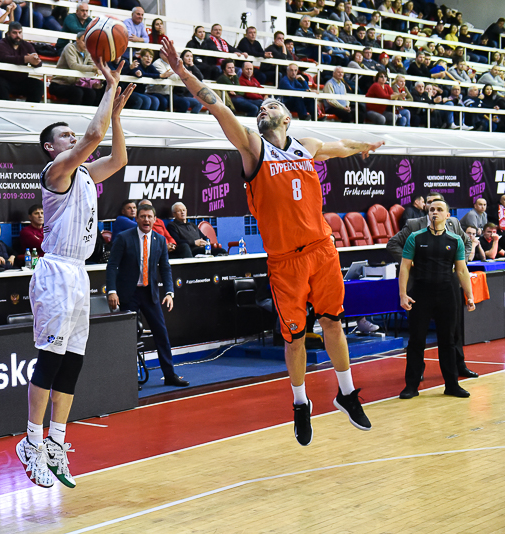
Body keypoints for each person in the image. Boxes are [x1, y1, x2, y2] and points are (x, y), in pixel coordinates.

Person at [161, 36, 379, 445]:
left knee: (333, 323)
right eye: (261, 107)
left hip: (322, 249)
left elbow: (340, 147)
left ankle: (347, 394)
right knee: (294, 337)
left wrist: (364, 145)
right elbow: (217, 105)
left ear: (288, 118)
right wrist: (183, 72)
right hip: (285, 260)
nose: (264, 108)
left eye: (272, 105)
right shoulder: (253, 148)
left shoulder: (306, 146)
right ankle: (300, 403)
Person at [15, 60, 134, 489]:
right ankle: (31, 441)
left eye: (71, 134)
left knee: (72, 362)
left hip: (79, 273)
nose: (72, 137)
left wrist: (116, 116)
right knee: (50, 359)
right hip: (55, 271)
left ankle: (56, 441)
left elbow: (118, 157)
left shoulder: (84, 172)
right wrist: (110, 86)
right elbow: (93, 137)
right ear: (51, 148)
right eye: (64, 136)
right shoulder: (56, 173)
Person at [387, 192, 476, 379]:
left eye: (438, 206)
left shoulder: (453, 224)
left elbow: (466, 243)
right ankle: (416, 373)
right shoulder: (414, 226)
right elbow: (392, 243)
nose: (433, 209)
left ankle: (458, 367)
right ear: (425, 207)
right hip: (421, 282)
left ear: (446, 211)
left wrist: (461, 261)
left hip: (448, 281)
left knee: (453, 331)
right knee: (418, 333)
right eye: (430, 204)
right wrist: (409, 261)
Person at [106, 204, 188, 387]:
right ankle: (129, 379)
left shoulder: (160, 240)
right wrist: (112, 291)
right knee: (129, 337)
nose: (146, 220)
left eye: (149, 217)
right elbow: (112, 265)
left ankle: (170, 375)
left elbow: (165, 268)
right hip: (128, 294)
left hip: (150, 293)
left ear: (155, 219)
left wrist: (169, 292)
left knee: (161, 333)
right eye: (142, 216)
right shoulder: (124, 238)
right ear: (137, 219)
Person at [0, 22, 43, 102]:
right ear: (8, 33)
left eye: (20, 33)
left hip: (20, 81)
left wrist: (36, 62)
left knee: (38, 85)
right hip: (2, 78)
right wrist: (26, 59)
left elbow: (37, 61)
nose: (18, 36)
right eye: (14, 33)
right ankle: (4, 108)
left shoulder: (27, 45)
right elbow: (5, 58)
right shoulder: (0, 44)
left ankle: (30, 109)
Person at [50, 31, 101, 107]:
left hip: (73, 84)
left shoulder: (87, 51)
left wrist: (98, 69)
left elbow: (92, 64)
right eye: (83, 41)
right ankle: (70, 113)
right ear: (77, 39)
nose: (86, 44)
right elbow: (73, 65)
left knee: (92, 93)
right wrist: (94, 68)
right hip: (59, 83)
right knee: (77, 92)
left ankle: (84, 113)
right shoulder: (70, 47)